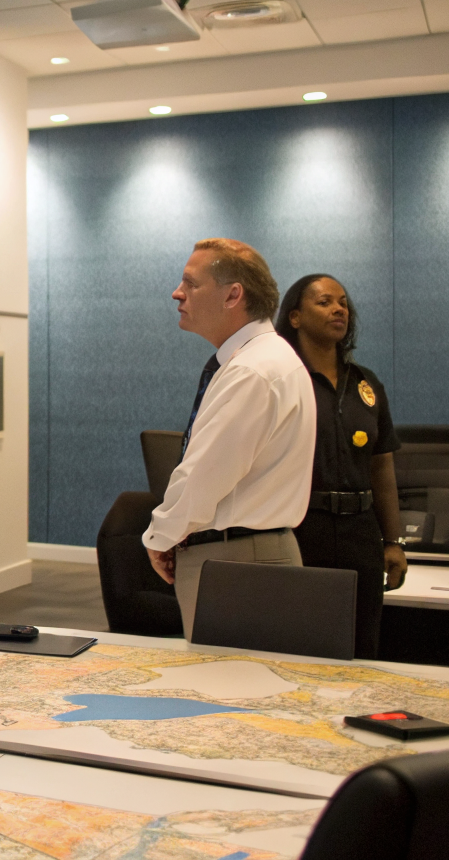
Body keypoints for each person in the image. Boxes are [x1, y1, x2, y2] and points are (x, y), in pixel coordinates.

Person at [143, 238, 316, 639]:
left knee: (229, 690)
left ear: (233, 295)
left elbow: (205, 475)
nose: (177, 293)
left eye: (191, 283)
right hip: (247, 554)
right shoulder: (264, 359)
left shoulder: (252, 370)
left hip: (237, 560)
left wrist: (160, 536)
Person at [276, 274, 407, 658]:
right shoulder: (281, 379)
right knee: (299, 646)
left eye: (344, 302)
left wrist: (393, 541)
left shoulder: (366, 384)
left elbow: (381, 468)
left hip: (359, 533)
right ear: (296, 317)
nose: (338, 309)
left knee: (362, 647)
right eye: (325, 302)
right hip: (300, 529)